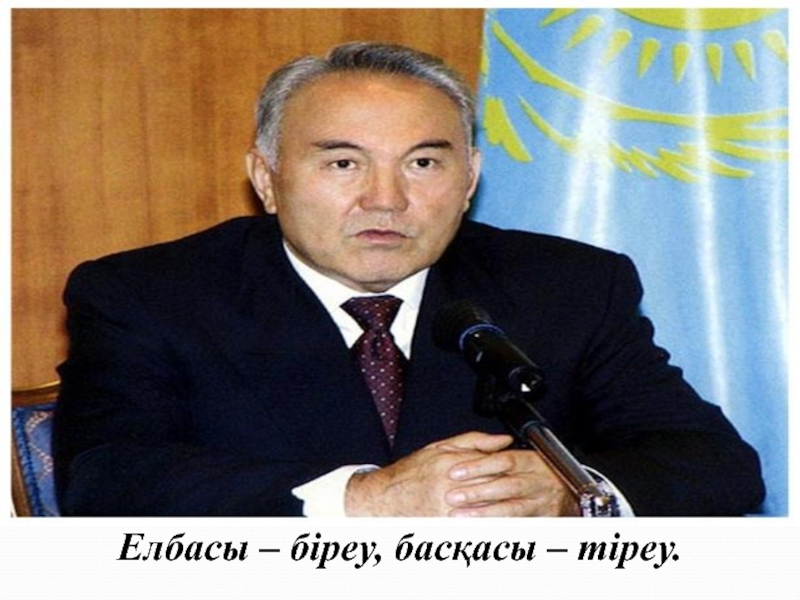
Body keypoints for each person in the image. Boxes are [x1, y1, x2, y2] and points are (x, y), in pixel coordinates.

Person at [53, 42, 764, 517]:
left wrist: (569, 491)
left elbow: (715, 464)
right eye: (343, 164)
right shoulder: (145, 295)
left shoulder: (569, 286)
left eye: (423, 164)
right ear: (266, 179)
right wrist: (366, 500)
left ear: (469, 179)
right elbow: (105, 478)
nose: (386, 200)